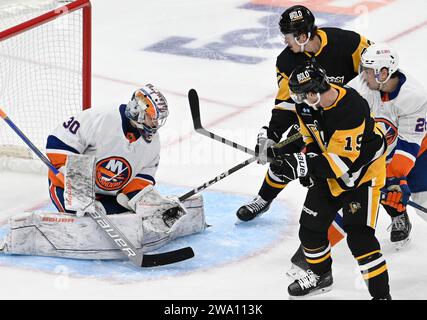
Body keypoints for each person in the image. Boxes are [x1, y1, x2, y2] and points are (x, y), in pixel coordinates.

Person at [0, 84, 206, 260]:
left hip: (111, 195)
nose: (155, 125)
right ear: (137, 111)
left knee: (138, 215)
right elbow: (57, 142)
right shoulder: (101, 118)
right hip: (71, 188)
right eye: (152, 118)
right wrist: (71, 178)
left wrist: (143, 202)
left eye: (157, 119)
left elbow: (142, 178)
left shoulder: (152, 142)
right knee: (85, 214)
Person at [236, 4, 371, 221]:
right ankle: (264, 198)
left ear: (302, 36)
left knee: (370, 166)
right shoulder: (287, 61)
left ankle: (395, 215)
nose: (284, 41)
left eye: (288, 36)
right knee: (283, 154)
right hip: (313, 118)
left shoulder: (349, 43)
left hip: (352, 118)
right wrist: (271, 136)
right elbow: (287, 102)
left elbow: (375, 76)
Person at [272, 61, 390, 299]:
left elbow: (341, 164)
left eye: (300, 95)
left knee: (360, 239)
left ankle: (381, 296)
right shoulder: (307, 107)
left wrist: (301, 166)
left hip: (362, 176)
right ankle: (321, 275)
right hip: (330, 170)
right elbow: (311, 139)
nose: (298, 100)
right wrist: (299, 158)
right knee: (309, 230)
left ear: (313, 93)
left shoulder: (352, 107)